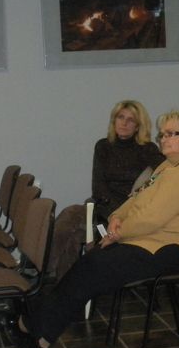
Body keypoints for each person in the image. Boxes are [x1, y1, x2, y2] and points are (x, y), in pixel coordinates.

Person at [19, 110, 179, 348]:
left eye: (171, 134)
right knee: (91, 263)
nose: (164, 139)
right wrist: (116, 216)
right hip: (149, 239)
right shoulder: (170, 164)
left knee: (93, 265)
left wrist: (117, 233)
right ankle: (37, 324)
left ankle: (41, 333)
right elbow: (137, 197)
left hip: (171, 248)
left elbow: (151, 218)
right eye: (162, 134)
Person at [46, 100, 164, 281]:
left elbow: (166, 175)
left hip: (130, 213)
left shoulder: (147, 149)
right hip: (103, 207)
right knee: (70, 216)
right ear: (113, 120)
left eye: (131, 120)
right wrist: (111, 216)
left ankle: (49, 276)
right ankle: (52, 275)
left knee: (76, 234)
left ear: (138, 126)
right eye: (120, 117)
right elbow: (98, 187)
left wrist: (119, 217)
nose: (124, 123)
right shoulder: (103, 146)